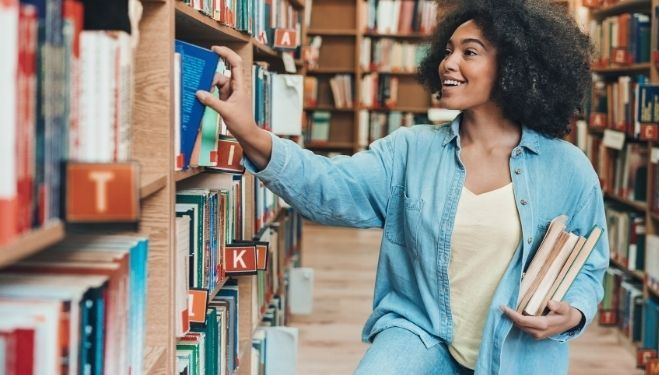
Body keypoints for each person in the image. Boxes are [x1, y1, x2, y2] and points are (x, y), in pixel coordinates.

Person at [196, 0, 609, 373]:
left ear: (516, 67)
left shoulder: (568, 170)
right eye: (447, 50)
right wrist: (249, 132)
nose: (448, 63)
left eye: (470, 52)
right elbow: (331, 188)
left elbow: (589, 265)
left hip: (516, 352)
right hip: (420, 331)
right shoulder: (411, 150)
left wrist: (572, 312)